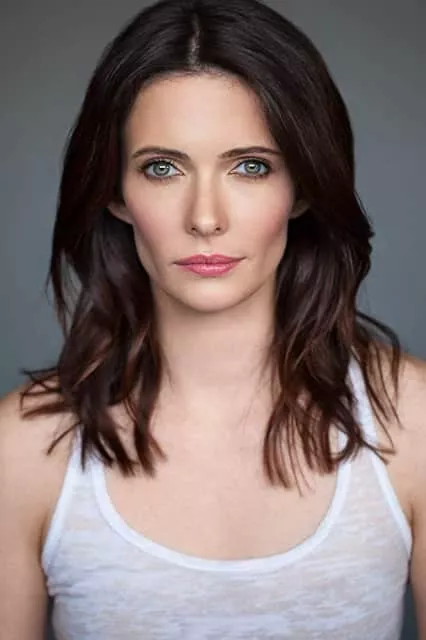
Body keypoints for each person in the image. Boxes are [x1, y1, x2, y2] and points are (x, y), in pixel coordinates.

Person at [0, 0, 425, 638]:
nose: (205, 217)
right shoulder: (22, 451)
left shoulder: (414, 425)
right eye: (162, 168)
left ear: (302, 186)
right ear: (115, 192)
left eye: (250, 166)